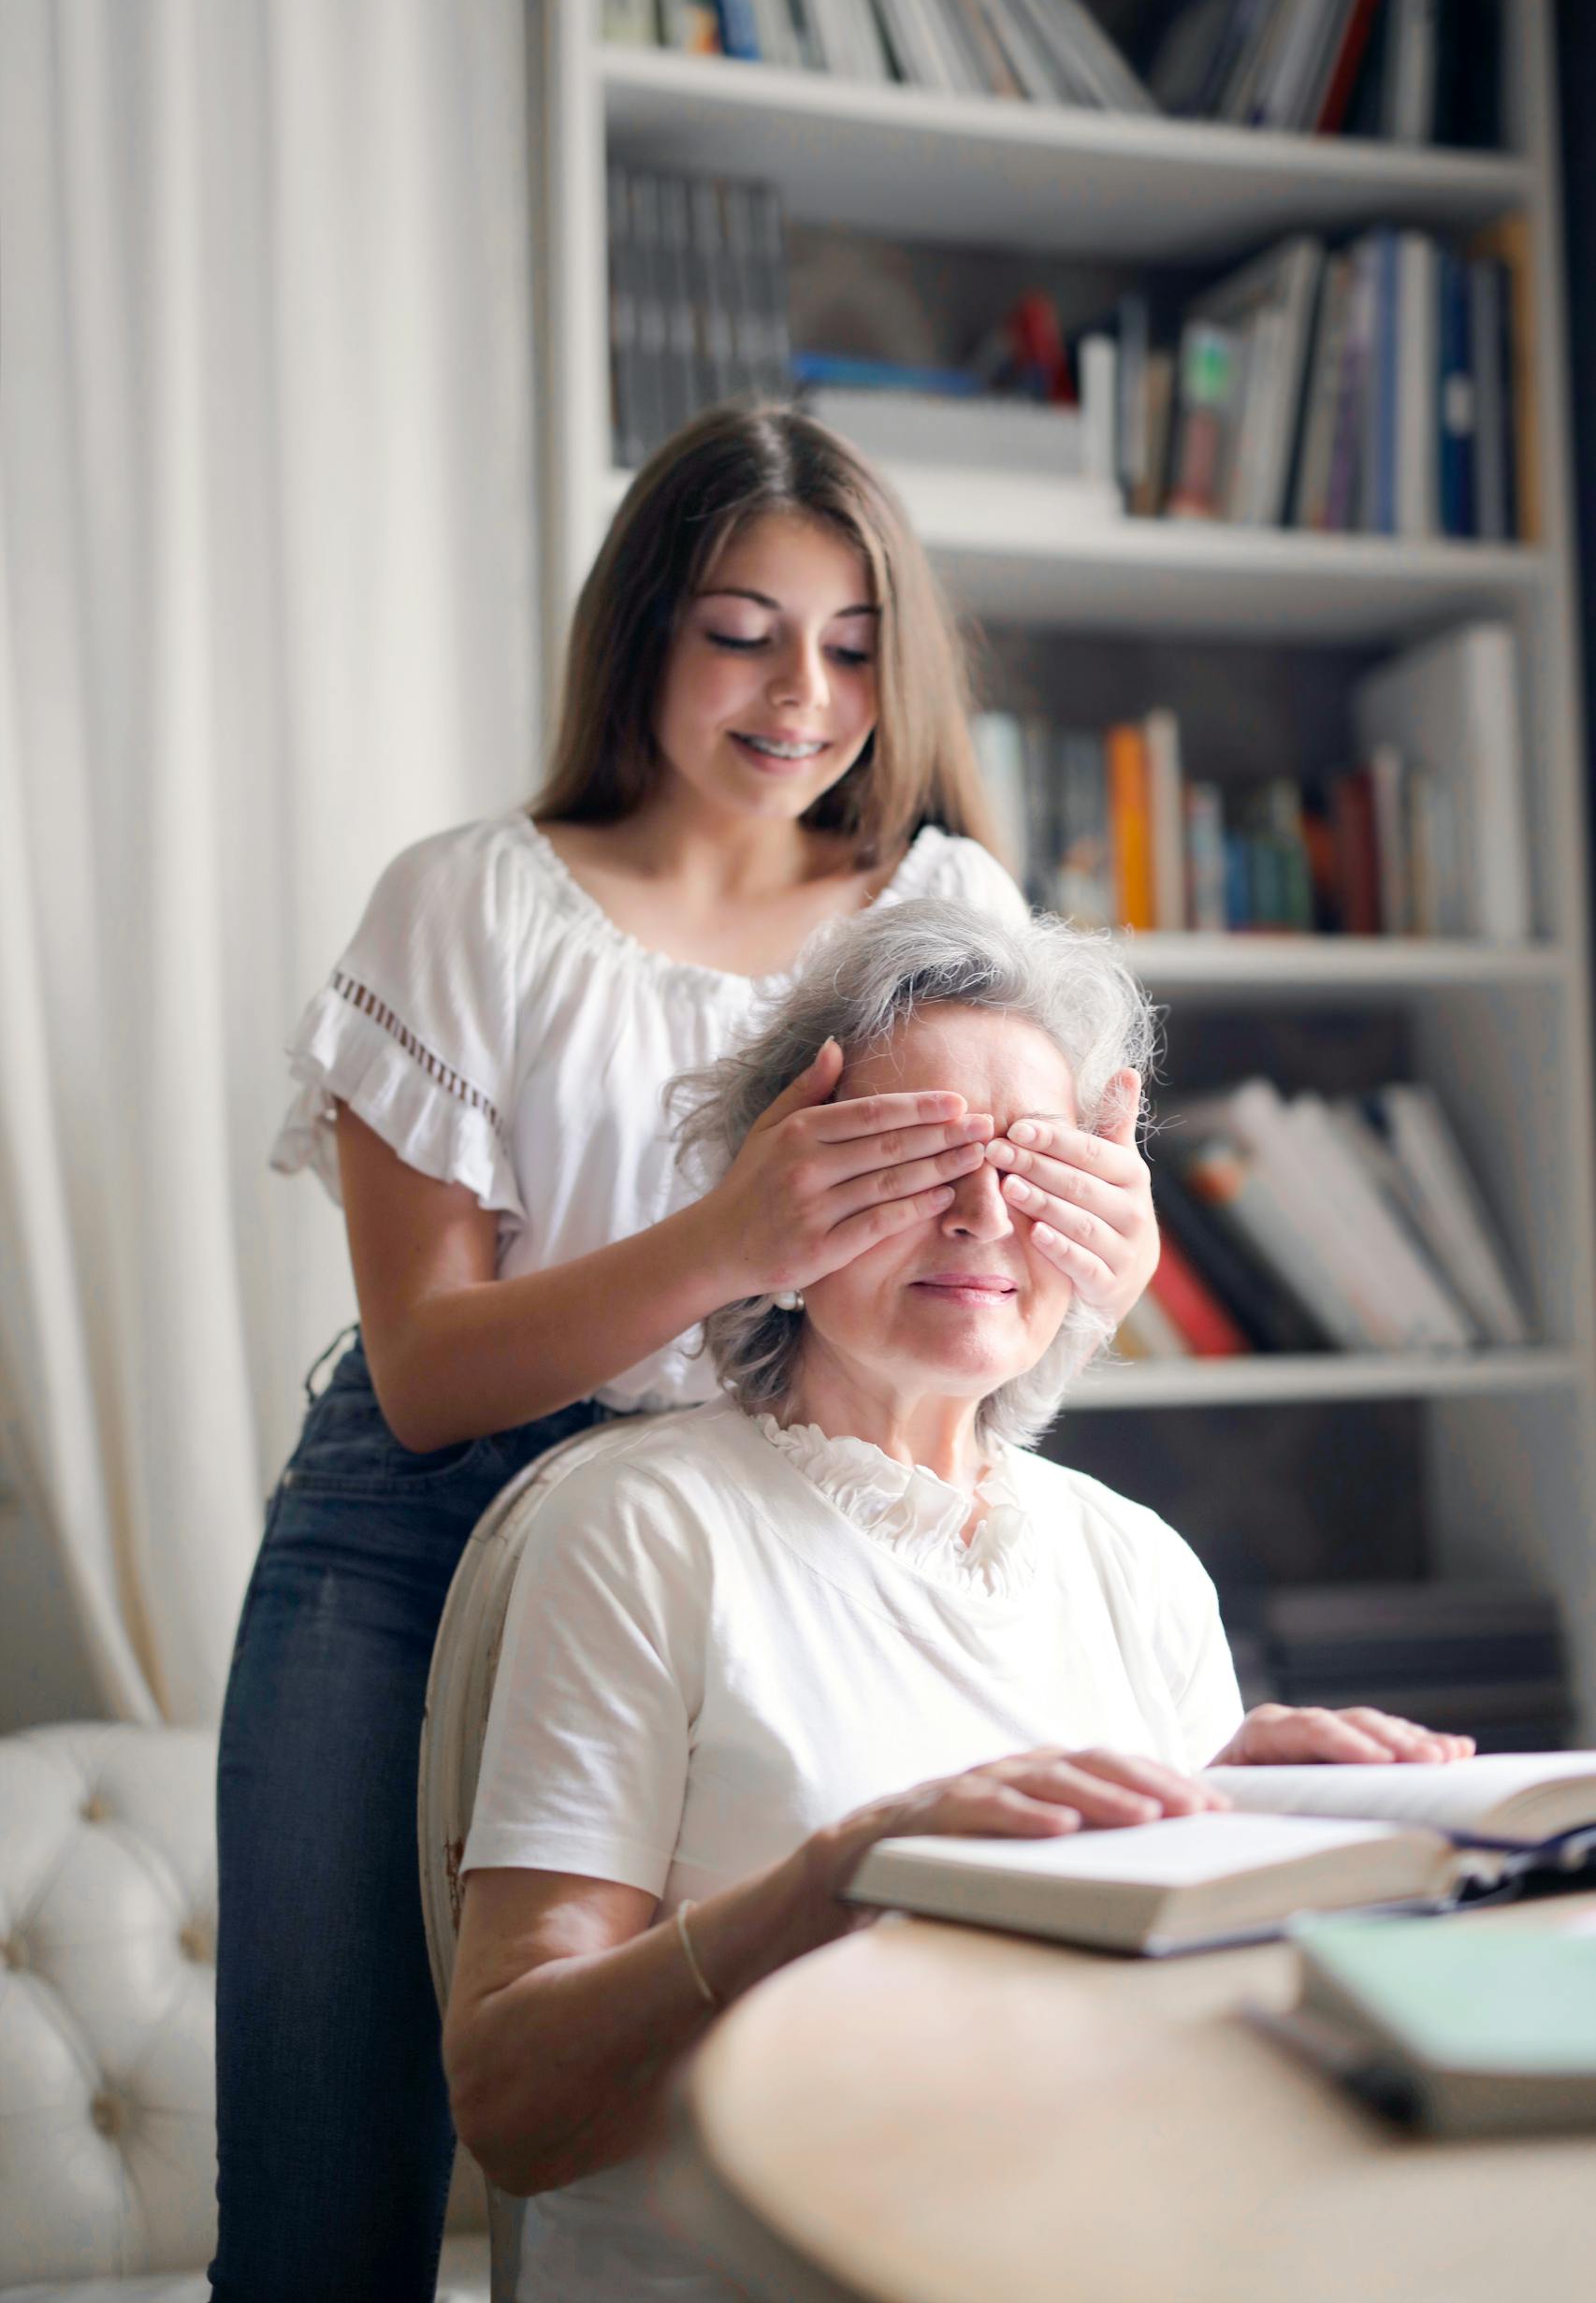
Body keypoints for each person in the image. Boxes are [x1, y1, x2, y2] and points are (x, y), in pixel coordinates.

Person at [210, 403, 1166, 2303]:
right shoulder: (467, 899)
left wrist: (1103, 1266)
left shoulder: (942, 905)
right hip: (419, 1523)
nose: (800, 690)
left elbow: (985, 1320)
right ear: (639, 631)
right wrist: (732, 1235)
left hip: (777, 1513)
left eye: (851, 640)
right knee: (328, 2181)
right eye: (738, 628)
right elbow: (424, 1371)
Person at [445, 897, 1474, 2303]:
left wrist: (1252, 1833)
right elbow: (512, 2106)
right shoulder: (640, 1527)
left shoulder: (1136, 1561)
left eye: (1034, 1167)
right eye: (918, 1157)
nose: (985, 1215)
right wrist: (843, 1876)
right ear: (786, 1189)